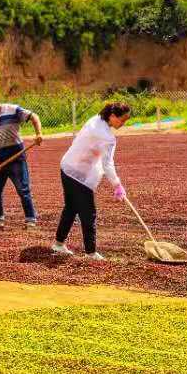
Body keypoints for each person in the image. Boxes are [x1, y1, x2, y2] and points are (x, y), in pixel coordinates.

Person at [52, 101, 131, 261]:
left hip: (67, 167)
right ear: (113, 116)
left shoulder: (95, 119)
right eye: (122, 120)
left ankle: (58, 244)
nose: (123, 123)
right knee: (88, 213)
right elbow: (107, 164)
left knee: (71, 208)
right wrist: (117, 185)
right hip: (78, 174)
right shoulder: (107, 137)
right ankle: (90, 252)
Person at [0, 89, 43, 229]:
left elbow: (33, 116)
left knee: (23, 189)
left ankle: (31, 219)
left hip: (16, 154)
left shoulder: (12, 110)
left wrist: (39, 134)